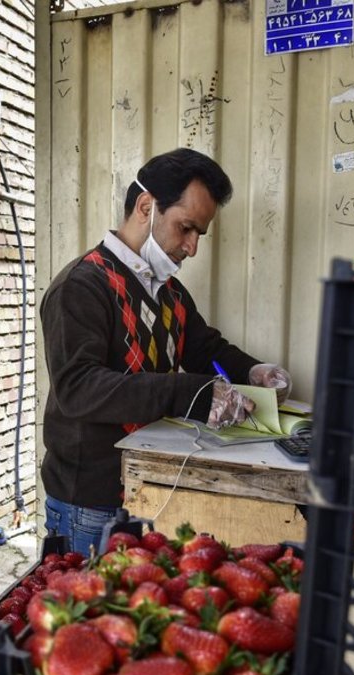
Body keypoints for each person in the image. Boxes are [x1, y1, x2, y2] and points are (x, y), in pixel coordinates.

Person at [40, 148, 291, 556]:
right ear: (145, 206)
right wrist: (190, 393)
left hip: (148, 485)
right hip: (90, 499)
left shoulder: (169, 291)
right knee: (88, 615)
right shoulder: (81, 286)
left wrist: (253, 371)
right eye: (185, 228)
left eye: (199, 235)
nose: (192, 248)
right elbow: (79, 389)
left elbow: (203, 350)